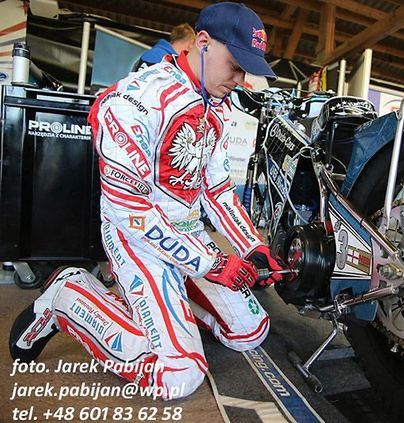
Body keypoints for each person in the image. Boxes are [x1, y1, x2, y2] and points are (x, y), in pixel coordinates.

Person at [9, 2, 289, 400]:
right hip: (136, 239)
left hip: (189, 235)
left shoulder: (218, 105)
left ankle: (169, 303)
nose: (241, 79)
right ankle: (68, 295)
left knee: (250, 331)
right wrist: (212, 263)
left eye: (248, 69)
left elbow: (217, 190)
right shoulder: (134, 100)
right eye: (236, 65)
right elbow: (131, 212)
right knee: (179, 375)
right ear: (203, 42)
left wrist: (252, 248)